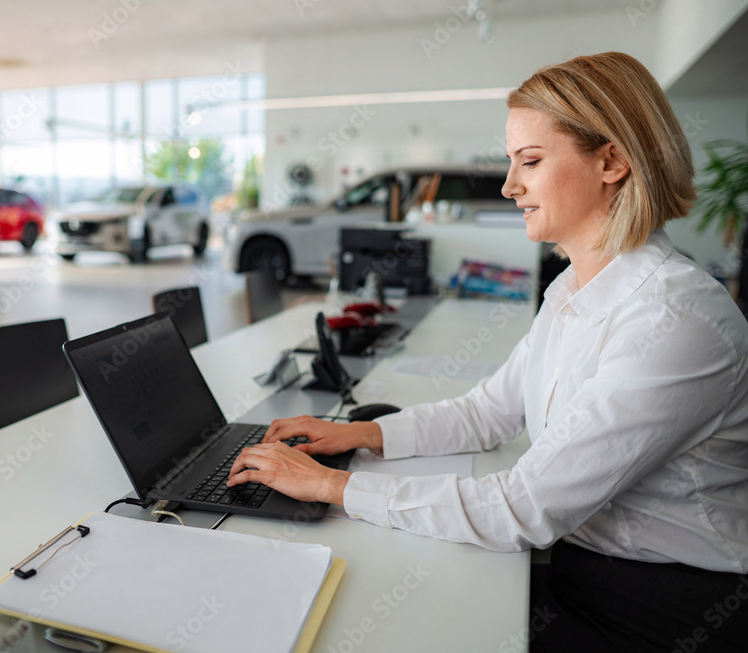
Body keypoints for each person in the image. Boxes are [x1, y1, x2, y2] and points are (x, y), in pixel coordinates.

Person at [226, 52, 748, 652]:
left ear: (612, 160)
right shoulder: (576, 290)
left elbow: (522, 508)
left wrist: (331, 489)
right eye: (511, 162)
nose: (508, 186)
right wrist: (358, 437)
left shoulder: (672, 319)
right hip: (584, 563)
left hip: (666, 604)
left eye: (530, 161)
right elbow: (487, 413)